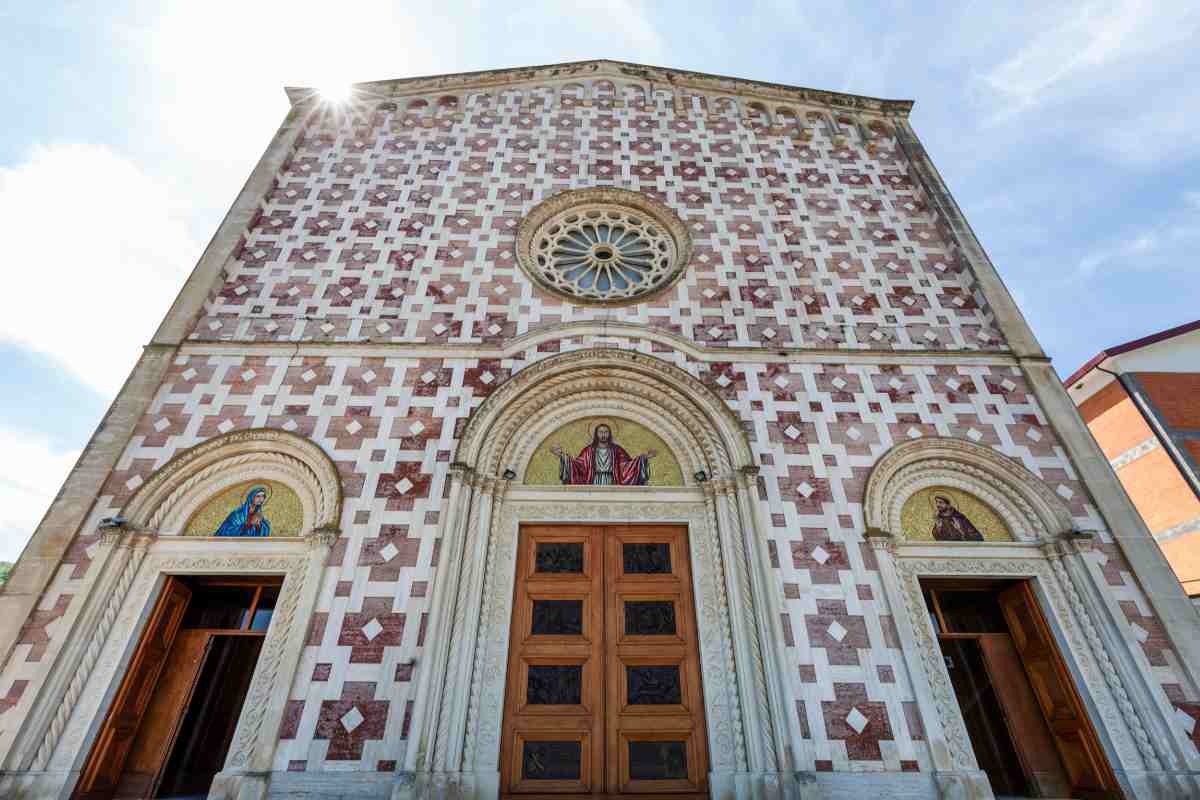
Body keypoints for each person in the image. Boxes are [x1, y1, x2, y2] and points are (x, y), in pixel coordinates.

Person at [551, 423, 656, 485]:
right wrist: (562, 456)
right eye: (600, 432)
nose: (603, 435)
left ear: (609, 434)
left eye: (606, 432)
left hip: (612, 481)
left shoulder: (616, 450)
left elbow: (627, 466)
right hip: (594, 480)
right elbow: (579, 465)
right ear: (596, 434)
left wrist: (643, 458)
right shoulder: (589, 450)